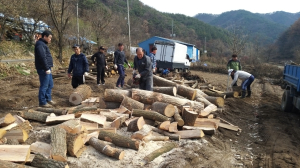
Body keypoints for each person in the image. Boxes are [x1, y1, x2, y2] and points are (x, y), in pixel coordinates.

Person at [34, 30, 55, 107]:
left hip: (47, 68)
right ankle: (42, 102)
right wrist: (46, 68)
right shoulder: (40, 44)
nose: (50, 39)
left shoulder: (43, 44)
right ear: (45, 36)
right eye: (49, 37)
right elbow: (42, 57)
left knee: (50, 84)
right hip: (43, 69)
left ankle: (48, 99)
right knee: (44, 85)